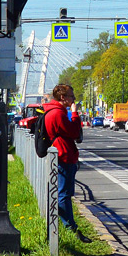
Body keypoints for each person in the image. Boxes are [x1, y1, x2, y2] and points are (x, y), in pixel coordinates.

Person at [44, 84, 89, 242]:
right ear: (62, 97)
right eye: (71, 96)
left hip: (64, 154)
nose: (74, 99)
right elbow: (75, 131)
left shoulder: (55, 111)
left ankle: (70, 227)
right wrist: (75, 113)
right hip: (63, 156)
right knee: (64, 194)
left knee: (65, 193)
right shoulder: (57, 113)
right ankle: (70, 228)